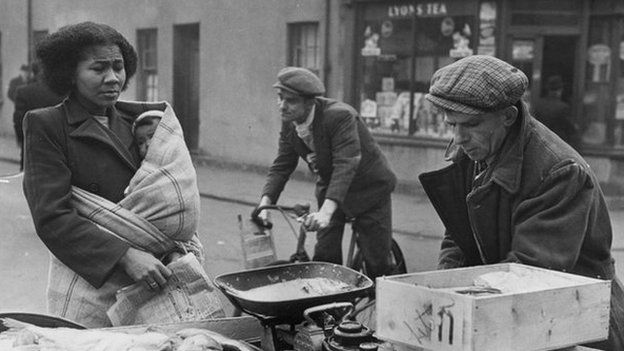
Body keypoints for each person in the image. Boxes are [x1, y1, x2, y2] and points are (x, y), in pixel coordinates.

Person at [22, 22, 222, 328]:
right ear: (69, 74)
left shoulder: (140, 123)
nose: (113, 77)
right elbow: (52, 217)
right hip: (93, 281)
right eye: (99, 68)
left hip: (156, 276)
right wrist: (124, 256)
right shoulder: (48, 125)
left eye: (118, 66)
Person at [418, 55, 624, 350]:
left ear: (508, 116)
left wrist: (460, 304)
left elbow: (530, 271)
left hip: (574, 323)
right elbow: (459, 233)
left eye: (472, 124)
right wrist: (443, 293)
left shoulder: (559, 172)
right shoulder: (474, 151)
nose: (459, 137)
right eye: (451, 124)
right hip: (509, 311)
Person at [258, 67, 397, 279]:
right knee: (324, 258)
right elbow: (282, 165)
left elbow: (346, 162)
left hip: (369, 189)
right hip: (332, 188)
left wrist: (325, 212)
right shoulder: (290, 122)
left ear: (310, 102)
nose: (282, 106)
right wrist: (265, 204)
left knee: (378, 264)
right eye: (280, 98)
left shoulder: (340, 116)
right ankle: (332, 307)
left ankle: (388, 303)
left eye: (290, 100)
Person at [13, 61, 64, 171]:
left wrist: (22, 140)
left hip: (31, 145)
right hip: (59, 146)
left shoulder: (24, 92)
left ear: (34, 72)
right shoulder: (62, 92)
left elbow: (18, 120)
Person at [531, 75, 580, 150]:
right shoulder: (563, 107)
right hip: (557, 145)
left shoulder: (539, 104)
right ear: (559, 91)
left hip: (540, 144)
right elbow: (570, 129)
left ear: (548, 90)